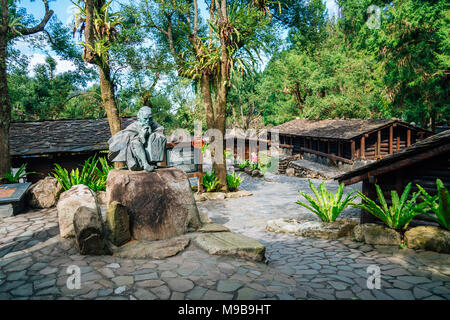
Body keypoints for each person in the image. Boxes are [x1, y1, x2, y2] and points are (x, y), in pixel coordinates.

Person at [108, 106, 167, 172]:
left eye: (150, 119)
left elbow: (161, 134)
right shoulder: (133, 126)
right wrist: (142, 136)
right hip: (134, 151)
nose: (147, 121)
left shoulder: (155, 125)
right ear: (139, 118)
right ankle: (145, 164)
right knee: (135, 142)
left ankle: (150, 163)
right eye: (145, 119)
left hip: (150, 154)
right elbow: (125, 137)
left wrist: (152, 135)